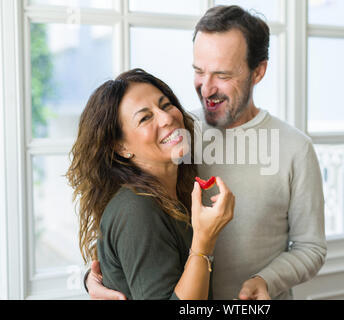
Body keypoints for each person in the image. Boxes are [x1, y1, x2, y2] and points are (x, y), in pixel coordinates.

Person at [85, 5, 327, 300]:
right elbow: (128, 221)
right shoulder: (177, 135)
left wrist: (268, 280)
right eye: (199, 71)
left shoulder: (295, 148)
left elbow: (311, 247)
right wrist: (94, 275)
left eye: (223, 74)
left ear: (258, 71)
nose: (207, 88)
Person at [66, 68, 234, 300]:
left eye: (166, 105)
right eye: (145, 118)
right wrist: (204, 243)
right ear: (121, 147)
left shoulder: (170, 193)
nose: (167, 118)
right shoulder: (138, 209)